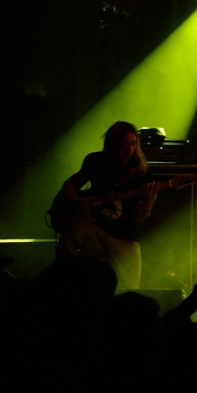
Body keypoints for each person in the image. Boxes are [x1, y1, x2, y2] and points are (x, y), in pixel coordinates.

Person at [54, 122, 161, 289]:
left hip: (123, 234)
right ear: (112, 144)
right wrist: (69, 196)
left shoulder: (142, 173)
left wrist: (149, 202)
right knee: (73, 230)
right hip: (93, 226)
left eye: (133, 144)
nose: (129, 150)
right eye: (124, 144)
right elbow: (73, 184)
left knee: (130, 288)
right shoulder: (94, 161)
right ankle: (58, 283)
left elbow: (139, 219)